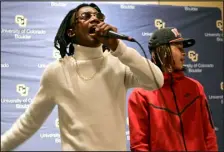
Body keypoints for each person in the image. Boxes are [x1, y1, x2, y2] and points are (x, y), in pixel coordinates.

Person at [1, 3, 164, 151]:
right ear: (71, 32)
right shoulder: (56, 72)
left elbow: (156, 81)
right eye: (86, 16)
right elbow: (28, 123)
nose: (95, 19)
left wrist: (119, 48)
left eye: (98, 17)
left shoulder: (118, 62)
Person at [128, 27, 218, 151]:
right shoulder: (140, 94)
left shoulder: (195, 87)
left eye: (183, 48)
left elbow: (209, 134)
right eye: (179, 48)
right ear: (161, 51)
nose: (184, 53)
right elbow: (139, 145)